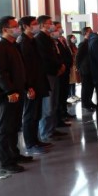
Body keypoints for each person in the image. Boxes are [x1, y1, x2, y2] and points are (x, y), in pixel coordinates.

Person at [0, 16, 33, 175]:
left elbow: (20, 70)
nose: (18, 28)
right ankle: (5, 162)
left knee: (14, 126)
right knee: (5, 128)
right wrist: (9, 91)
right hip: (8, 95)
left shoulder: (14, 46)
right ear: (5, 29)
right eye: (14, 26)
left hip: (18, 92)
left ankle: (14, 154)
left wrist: (26, 86)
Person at [17, 16, 50, 155]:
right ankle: (30, 143)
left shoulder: (32, 40)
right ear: (26, 26)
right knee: (30, 115)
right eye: (34, 24)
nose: (37, 26)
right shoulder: (22, 42)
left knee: (36, 114)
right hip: (31, 84)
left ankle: (36, 140)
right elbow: (25, 67)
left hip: (38, 81)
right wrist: (28, 86)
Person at [34, 15, 65, 143]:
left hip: (55, 72)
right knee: (48, 105)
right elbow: (45, 58)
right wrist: (57, 67)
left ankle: (52, 129)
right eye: (49, 23)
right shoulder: (39, 38)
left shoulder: (49, 38)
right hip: (48, 74)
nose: (52, 25)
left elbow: (56, 54)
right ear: (42, 25)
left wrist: (60, 65)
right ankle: (46, 132)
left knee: (54, 103)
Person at [76, 27, 96, 110]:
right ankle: (85, 104)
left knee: (91, 86)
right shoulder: (83, 43)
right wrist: (78, 67)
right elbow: (78, 57)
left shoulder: (90, 42)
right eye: (90, 31)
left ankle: (89, 101)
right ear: (85, 33)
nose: (92, 32)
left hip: (91, 68)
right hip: (85, 69)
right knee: (85, 87)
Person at [66, 34, 80, 103]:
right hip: (71, 65)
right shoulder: (68, 47)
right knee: (71, 81)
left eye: (74, 37)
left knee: (74, 80)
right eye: (73, 37)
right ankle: (70, 95)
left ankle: (74, 94)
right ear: (69, 39)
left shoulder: (74, 46)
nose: (75, 38)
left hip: (75, 65)